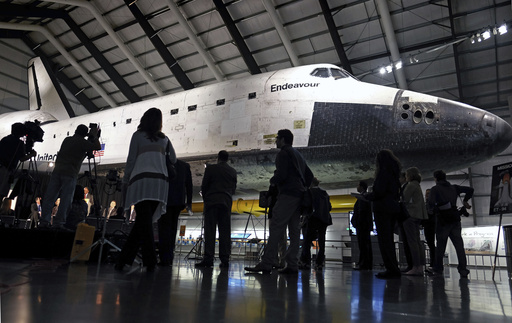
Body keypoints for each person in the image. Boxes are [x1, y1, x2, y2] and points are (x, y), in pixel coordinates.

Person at [115, 108, 176, 272]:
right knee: (143, 221)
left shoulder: (137, 136)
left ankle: (150, 262)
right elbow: (174, 159)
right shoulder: (165, 139)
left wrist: (126, 180)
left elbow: (131, 159)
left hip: (141, 182)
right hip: (160, 184)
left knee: (144, 221)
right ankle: (123, 261)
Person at [245, 129, 313, 274]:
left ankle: (267, 262)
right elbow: (310, 175)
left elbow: (281, 175)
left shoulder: (283, 153)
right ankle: (292, 264)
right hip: (299, 196)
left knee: (276, 227)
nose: (275, 141)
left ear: (282, 140)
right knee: (294, 231)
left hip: (287, 194)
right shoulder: (298, 155)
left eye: (277, 139)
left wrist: (273, 180)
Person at [39, 124, 101, 229]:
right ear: (85, 134)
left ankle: (44, 221)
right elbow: (97, 147)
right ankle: (59, 223)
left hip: (57, 171)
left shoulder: (67, 140)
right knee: (66, 199)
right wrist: (94, 136)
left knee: (50, 198)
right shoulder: (83, 142)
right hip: (70, 173)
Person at [195, 151, 237, 268]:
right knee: (225, 231)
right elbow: (233, 189)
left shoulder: (210, 169)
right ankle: (225, 259)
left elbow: (204, 186)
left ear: (218, 158)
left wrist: (206, 199)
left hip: (212, 202)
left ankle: (208, 258)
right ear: (227, 159)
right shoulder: (232, 171)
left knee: (210, 231)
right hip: (226, 203)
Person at [364, 149, 402, 279]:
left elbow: (379, 192)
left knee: (384, 240)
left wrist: (367, 196)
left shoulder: (383, 174)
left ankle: (391, 268)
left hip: (382, 209)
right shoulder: (394, 174)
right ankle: (393, 267)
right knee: (389, 240)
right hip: (392, 208)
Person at [428, 169, 473, 278]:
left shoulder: (435, 189)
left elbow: (430, 204)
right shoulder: (454, 188)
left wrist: (433, 211)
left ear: (436, 178)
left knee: (440, 246)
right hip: (455, 219)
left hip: (442, 220)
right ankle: (463, 270)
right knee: (459, 246)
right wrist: (465, 200)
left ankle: (438, 269)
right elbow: (470, 189)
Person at [158, 159, 193, 266]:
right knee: (173, 229)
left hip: (165, 200)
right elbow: (189, 185)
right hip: (178, 202)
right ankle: (169, 256)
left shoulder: (163, 162)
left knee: (163, 229)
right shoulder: (185, 165)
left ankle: (164, 257)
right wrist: (189, 203)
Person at [299, 177, 332, 270]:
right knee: (322, 242)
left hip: (312, 219)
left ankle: (306, 262)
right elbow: (329, 207)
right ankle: (319, 263)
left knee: (307, 241)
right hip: (324, 220)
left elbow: (306, 205)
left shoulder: (309, 192)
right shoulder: (325, 193)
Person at [401, 167, 428, 276]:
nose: (405, 177)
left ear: (410, 176)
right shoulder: (417, 185)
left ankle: (415, 266)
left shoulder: (411, 185)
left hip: (410, 216)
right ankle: (420, 266)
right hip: (418, 216)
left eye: (407, 175)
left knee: (412, 242)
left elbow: (404, 199)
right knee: (417, 242)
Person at [0, 123, 37, 200]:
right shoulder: (18, 143)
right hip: (6, 170)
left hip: (2, 167)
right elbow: (22, 158)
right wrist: (32, 154)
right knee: (1, 193)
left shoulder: (5, 139)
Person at [351, 181, 373, 271]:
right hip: (365, 225)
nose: (357, 187)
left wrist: (356, 222)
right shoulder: (365, 197)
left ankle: (364, 264)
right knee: (365, 244)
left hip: (362, 225)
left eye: (358, 185)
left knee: (363, 244)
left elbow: (361, 212)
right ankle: (365, 263)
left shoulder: (363, 198)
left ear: (362, 187)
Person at [423, 189, 436, 270]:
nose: (427, 196)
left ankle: (433, 262)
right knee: (431, 244)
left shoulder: (428, 205)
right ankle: (434, 262)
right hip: (430, 224)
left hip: (429, 225)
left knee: (431, 244)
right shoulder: (430, 205)